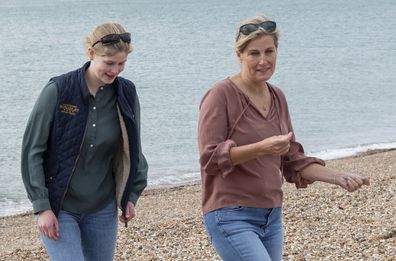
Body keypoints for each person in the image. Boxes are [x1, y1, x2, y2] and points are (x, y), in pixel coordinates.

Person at [198, 15, 370, 261]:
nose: (263, 60)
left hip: (271, 216)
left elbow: (292, 160)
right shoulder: (220, 95)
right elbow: (210, 159)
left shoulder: (277, 96)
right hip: (230, 215)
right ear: (239, 55)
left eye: (269, 51)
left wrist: (338, 177)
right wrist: (261, 148)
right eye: (253, 53)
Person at [21, 22, 148, 261]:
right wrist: (42, 206)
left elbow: (134, 149)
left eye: (121, 64)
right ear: (91, 53)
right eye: (109, 63)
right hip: (60, 208)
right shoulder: (58, 90)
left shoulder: (127, 93)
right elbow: (32, 151)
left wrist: (130, 195)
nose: (115, 70)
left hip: (102, 208)